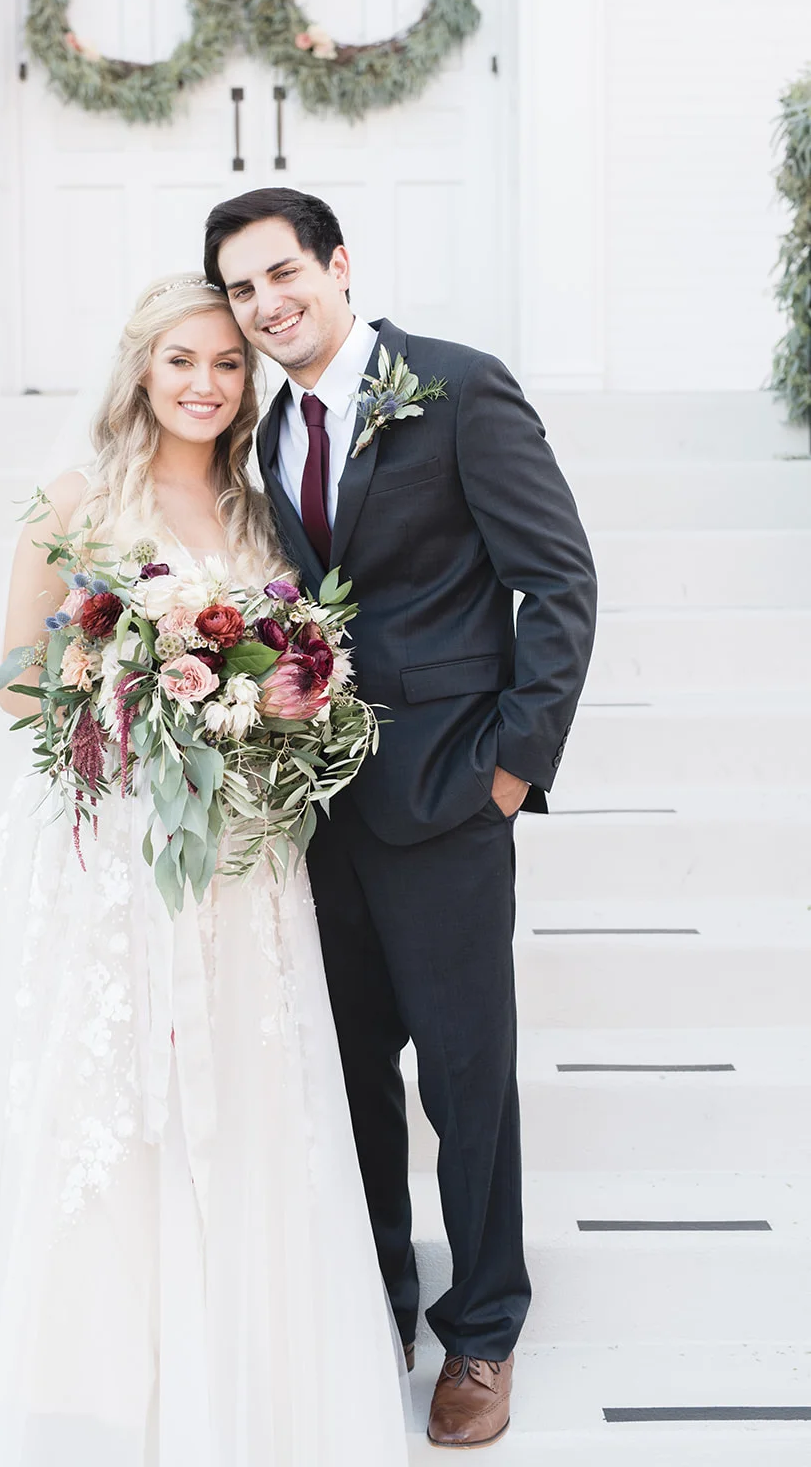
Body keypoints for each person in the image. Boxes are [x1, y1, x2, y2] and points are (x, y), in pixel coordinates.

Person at [0, 275, 409, 1466]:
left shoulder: (262, 508)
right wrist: (132, 722)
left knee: (240, 1094)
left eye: (227, 364)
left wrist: (267, 718)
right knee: (104, 1105)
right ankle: (83, 1388)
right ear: (141, 368)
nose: (205, 384)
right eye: (182, 359)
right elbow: (15, 678)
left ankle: (235, 1373)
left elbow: (298, 659)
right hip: (106, 850)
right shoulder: (76, 502)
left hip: (236, 858)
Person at [204, 189, 598, 1450]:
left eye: (283, 273)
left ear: (337, 265)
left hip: (449, 798)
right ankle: (377, 1298)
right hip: (315, 811)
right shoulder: (265, 434)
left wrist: (511, 769)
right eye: (243, 290)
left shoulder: (460, 388)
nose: (268, 305)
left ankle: (482, 1325)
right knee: (350, 1073)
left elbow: (559, 580)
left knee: (465, 1077)